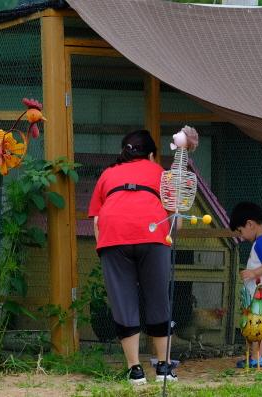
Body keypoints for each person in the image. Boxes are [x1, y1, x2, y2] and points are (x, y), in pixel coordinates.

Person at [88, 130, 177, 385]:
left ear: (123, 152)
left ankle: (135, 370)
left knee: (123, 300)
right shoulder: (160, 173)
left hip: (113, 236)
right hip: (152, 233)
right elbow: (174, 219)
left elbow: (97, 220)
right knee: (157, 296)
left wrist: (104, 248)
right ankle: (163, 367)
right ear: (150, 155)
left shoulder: (107, 174)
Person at [229, 202, 262, 368]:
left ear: (250, 224)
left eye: (241, 231)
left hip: (261, 296)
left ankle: (255, 358)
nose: (242, 236)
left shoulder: (261, 242)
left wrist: (253, 273)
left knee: (257, 325)